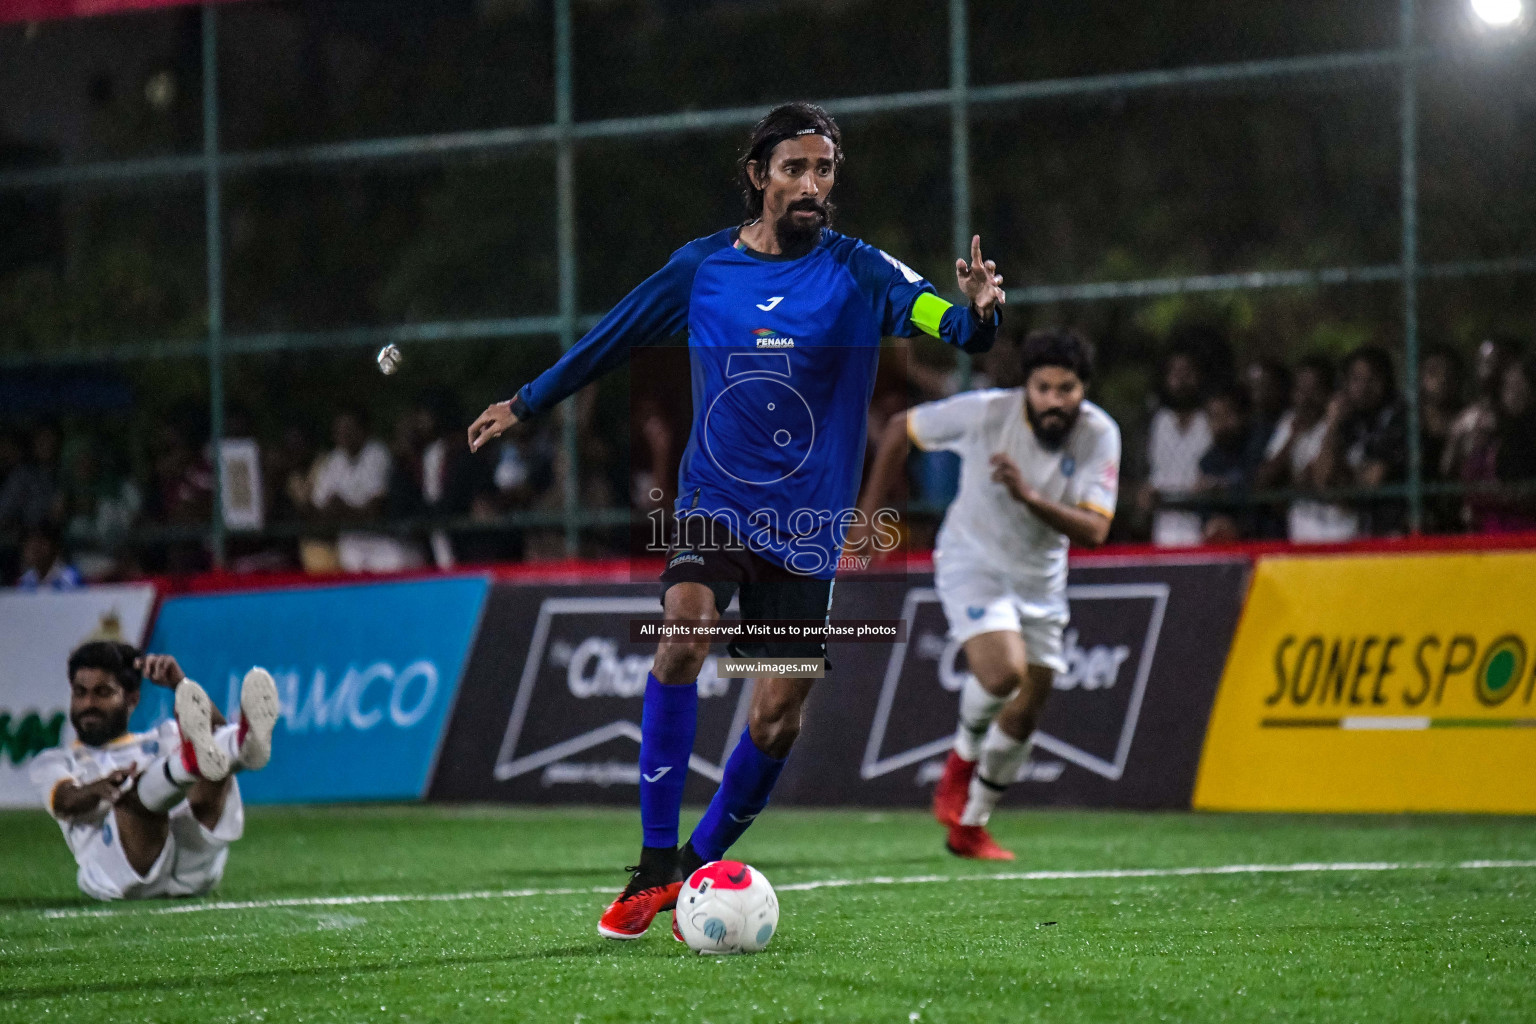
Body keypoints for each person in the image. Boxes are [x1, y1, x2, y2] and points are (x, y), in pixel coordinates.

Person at [465, 101, 1003, 939]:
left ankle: (694, 864)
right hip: (715, 503)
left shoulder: (858, 270)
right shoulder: (701, 268)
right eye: (794, 168)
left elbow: (942, 318)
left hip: (807, 531)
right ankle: (651, 866)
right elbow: (612, 336)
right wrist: (527, 400)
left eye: (824, 170)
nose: (812, 185)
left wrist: (978, 314)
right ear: (758, 176)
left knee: (775, 715)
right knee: (683, 631)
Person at [854, 328, 1117, 859]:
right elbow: (901, 427)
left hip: (1041, 578)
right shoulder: (987, 413)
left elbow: (1093, 530)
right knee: (1003, 674)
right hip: (971, 561)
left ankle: (971, 825)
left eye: (1066, 389)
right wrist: (867, 518)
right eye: (1043, 387)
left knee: (1026, 711)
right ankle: (961, 762)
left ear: (1083, 390)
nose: (1053, 400)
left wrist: (1027, 495)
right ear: (1027, 387)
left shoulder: (1099, 434)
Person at [28, 642, 278, 901]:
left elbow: (215, 738)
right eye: (80, 692)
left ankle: (244, 745)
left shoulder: (164, 735)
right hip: (122, 874)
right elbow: (64, 801)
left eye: (102, 693)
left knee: (212, 763)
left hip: (192, 866)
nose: (88, 703)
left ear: (132, 699)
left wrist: (179, 684)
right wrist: (98, 789)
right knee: (137, 795)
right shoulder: (55, 761)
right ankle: (195, 761)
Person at [1256, 356, 1359, 543]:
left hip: (1341, 529)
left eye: (1315, 390)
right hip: (1302, 530)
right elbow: (1263, 479)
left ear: (1329, 393)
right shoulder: (1290, 423)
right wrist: (1292, 438)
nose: (1307, 398)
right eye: (1301, 390)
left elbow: (1322, 479)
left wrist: (1332, 424)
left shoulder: (1344, 424)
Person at [1313, 345, 1408, 536]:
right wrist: (1332, 425)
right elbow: (1322, 480)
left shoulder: (1399, 418)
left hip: (1395, 530)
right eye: (1356, 379)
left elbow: (1370, 483)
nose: (1364, 386)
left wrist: (1342, 482)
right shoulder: (1347, 420)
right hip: (1359, 531)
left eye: (1373, 378)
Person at [311, 408, 421, 573]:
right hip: (350, 542)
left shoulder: (377, 453)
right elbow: (320, 512)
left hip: (383, 541)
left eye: (349, 428)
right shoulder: (334, 460)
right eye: (339, 429)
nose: (343, 434)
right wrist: (345, 510)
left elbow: (374, 511)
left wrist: (342, 509)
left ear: (363, 430)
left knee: (395, 563)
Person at [1138, 346, 1211, 546]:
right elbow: (1152, 472)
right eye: (1175, 373)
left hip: (1201, 525)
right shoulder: (1159, 422)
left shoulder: (1209, 422)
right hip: (1164, 526)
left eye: (1187, 373)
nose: (1181, 381)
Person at [1195, 387, 1254, 542]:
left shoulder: (1254, 450)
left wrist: (1224, 485)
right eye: (1215, 416)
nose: (1222, 423)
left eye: (1227, 414)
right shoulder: (1207, 461)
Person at [15, 523, 83, 590]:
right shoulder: (25, 581)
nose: (34, 549)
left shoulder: (69, 578)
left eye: (40, 543)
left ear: (54, 547)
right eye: (29, 544)